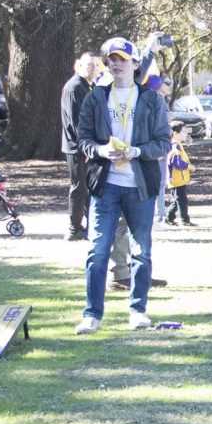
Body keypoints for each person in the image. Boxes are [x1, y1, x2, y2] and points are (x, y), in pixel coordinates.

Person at [74, 42, 170, 333]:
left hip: (139, 186)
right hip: (106, 186)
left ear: (135, 64)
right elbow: (83, 139)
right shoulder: (96, 98)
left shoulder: (151, 100)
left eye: (122, 60)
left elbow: (163, 142)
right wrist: (102, 151)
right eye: (111, 60)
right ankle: (92, 314)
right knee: (98, 250)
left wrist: (137, 152)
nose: (116, 65)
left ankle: (138, 310)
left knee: (141, 251)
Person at [61, 53, 100, 240]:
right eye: (88, 65)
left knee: (87, 187)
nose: (92, 68)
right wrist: (85, 147)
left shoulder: (86, 86)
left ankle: (89, 225)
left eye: (94, 65)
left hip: (83, 146)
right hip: (77, 147)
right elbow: (77, 122)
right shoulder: (75, 87)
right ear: (78, 65)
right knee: (79, 187)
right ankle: (74, 228)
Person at [163, 127, 196, 224]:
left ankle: (169, 218)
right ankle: (184, 220)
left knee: (177, 200)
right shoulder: (175, 146)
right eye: (183, 132)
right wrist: (189, 167)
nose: (185, 134)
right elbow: (177, 163)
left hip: (179, 178)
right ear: (175, 133)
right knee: (181, 200)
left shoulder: (178, 145)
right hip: (176, 179)